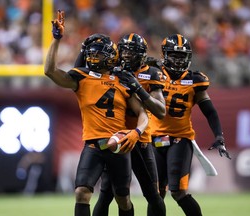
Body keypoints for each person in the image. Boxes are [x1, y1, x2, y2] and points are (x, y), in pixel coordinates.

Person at [45, 10, 149, 216]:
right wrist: (56, 40)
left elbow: (143, 113)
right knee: (82, 193)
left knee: (123, 199)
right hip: (93, 145)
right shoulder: (81, 77)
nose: (92, 57)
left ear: (110, 58)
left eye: (98, 54)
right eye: (90, 54)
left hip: (119, 145)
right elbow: (50, 71)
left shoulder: (123, 79)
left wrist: (136, 132)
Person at [147, 34, 231, 216]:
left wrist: (219, 135)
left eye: (182, 56)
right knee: (155, 193)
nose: (178, 61)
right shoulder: (154, 74)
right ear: (165, 55)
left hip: (180, 139)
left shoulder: (195, 80)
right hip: (154, 139)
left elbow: (210, 111)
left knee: (178, 191)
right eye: (174, 56)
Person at [87, 33, 167, 216]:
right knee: (107, 194)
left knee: (153, 194)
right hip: (117, 138)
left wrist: (137, 86)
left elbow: (161, 111)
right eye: (123, 52)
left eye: (131, 53)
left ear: (141, 55)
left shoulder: (152, 74)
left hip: (140, 138)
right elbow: (81, 72)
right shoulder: (112, 70)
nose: (126, 56)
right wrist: (86, 45)